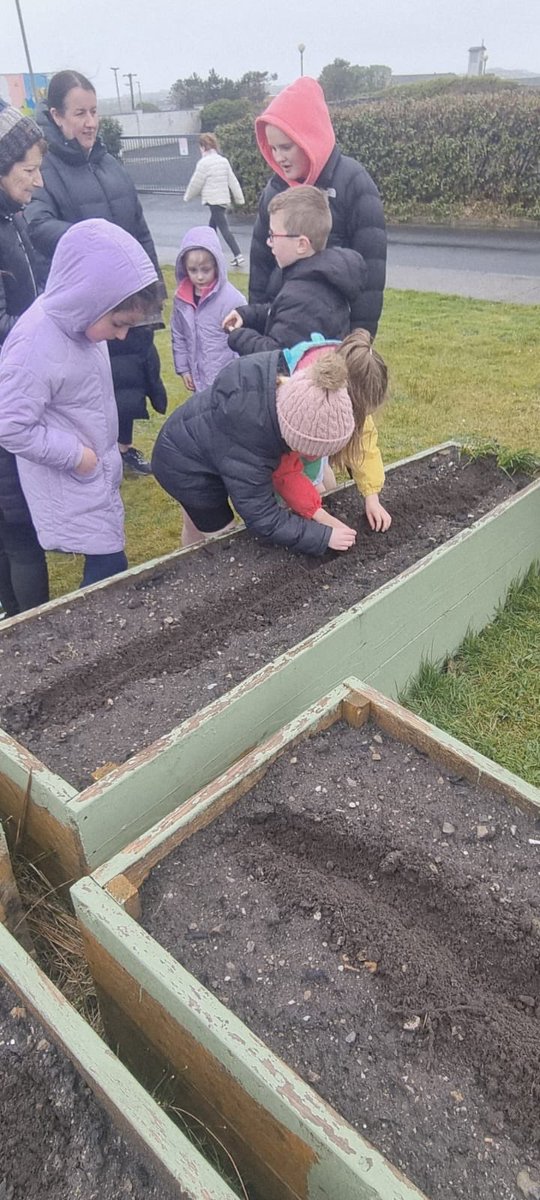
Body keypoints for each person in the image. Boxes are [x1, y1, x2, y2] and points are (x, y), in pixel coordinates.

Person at [0, 219, 162, 588]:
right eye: (118, 323)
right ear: (90, 301)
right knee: (108, 565)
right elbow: (9, 424)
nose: (121, 335)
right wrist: (75, 455)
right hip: (72, 474)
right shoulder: (33, 347)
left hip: (94, 471)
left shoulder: (80, 323)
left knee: (108, 551)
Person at [24, 69, 167, 476]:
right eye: (79, 113)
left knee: (131, 377)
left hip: (126, 297)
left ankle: (122, 449)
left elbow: (139, 229)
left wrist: (152, 289)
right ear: (56, 116)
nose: (89, 122)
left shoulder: (109, 164)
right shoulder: (45, 169)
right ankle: (90, 457)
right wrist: (97, 241)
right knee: (91, 387)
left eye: (94, 112)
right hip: (87, 304)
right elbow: (38, 225)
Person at [151, 331, 388, 555]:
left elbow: (290, 469)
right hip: (185, 469)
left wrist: (364, 497)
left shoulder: (301, 398)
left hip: (210, 444)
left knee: (202, 521)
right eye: (308, 451)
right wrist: (321, 535)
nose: (312, 458)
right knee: (224, 540)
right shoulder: (254, 437)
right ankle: (192, 573)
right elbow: (262, 514)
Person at [249, 76, 386, 338]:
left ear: (308, 137)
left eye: (286, 147)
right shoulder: (274, 192)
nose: (279, 157)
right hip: (283, 331)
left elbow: (371, 273)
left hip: (334, 332)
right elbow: (260, 268)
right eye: (273, 148)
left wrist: (360, 340)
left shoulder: (354, 183)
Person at [0, 101, 50, 617]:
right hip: (7, 391)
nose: (36, 182)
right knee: (18, 526)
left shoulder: (11, 217)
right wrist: (48, 329)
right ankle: (31, 632)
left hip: (14, 384)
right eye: (28, 170)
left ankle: (13, 622)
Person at [223, 185, 366, 356]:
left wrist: (238, 336)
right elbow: (280, 313)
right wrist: (247, 315)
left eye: (273, 235)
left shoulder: (304, 296)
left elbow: (279, 357)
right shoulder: (314, 279)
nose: (269, 242)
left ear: (301, 245)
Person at [171, 226, 246, 393]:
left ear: (217, 266)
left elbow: (242, 341)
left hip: (227, 379)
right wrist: (184, 369)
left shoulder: (232, 299)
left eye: (205, 270)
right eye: (193, 270)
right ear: (184, 268)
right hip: (198, 377)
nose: (199, 276)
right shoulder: (182, 299)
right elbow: (179, 335)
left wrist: (238, 375)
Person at [184, 133, 246, 268]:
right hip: (222, 200)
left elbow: (196, 183)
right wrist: (239, 198)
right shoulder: (223, 161)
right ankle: (213, 254)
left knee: (223, 228)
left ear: (202, 146)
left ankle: (238, 254)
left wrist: (187, 197)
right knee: (212, 228)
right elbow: (232, 180)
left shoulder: (203, 163)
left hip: (213, 200)